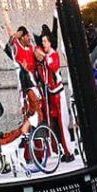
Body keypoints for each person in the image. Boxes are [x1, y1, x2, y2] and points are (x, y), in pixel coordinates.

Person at [35, 30, 75, 161]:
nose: (43, 44)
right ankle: (60, 150)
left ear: (50, 42)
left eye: (45, 41)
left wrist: (44, 56)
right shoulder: (45, 55)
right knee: (54, 124)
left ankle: (69, 152)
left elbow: (53, 66)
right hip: (50, 94)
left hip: (58, 93)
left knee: (62, 124)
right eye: (42, 41)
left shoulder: (53, 55)